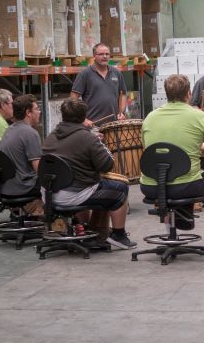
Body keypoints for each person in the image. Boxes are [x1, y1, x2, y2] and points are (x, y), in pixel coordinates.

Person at [141, 74, 204, 253]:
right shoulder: (199, 116)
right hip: (185, 186)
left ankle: (169, 236)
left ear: (166, 94)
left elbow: (151, 150)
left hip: (151, 186)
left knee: (164, 182)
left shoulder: (149, 118)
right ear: (189, 94)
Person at [42, 98, 136, 250]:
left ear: (63, 115)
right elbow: (107, 165)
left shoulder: (50, 137)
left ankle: (89, 229)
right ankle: (119, 235)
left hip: (50, 194)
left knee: (97, 185)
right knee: (120, 188)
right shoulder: (88, 138)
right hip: (74, 195)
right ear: (84, 117)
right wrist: (99, 143)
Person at [70, 43, 127, 127]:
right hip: (92, 126)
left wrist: (121, 112)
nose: (105, 56)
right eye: (101, 54)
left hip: (113, 125)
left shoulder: (116, 73)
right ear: (94, 56)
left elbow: (123, 94)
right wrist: (82, 119)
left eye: (107, 54)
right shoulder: (85, 74)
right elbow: (72, 99)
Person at [0, 94, 42, 199]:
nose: (39, 112)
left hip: (5, 188)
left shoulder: (9, 130)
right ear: (28, 113)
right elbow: (39, 169)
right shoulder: (30, 133)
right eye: (37, 109)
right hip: (23, 187)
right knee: (59, 183)